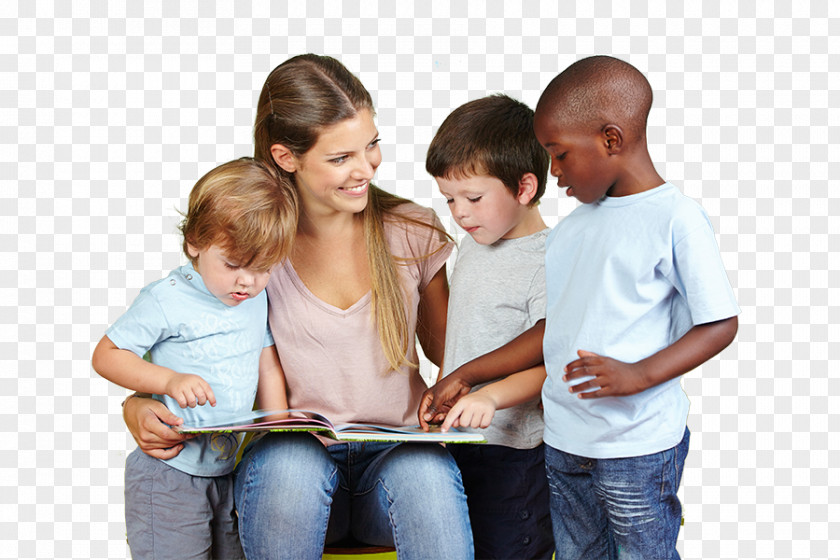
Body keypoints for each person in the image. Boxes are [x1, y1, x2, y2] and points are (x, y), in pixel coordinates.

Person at [121, 54, 474, 560]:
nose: (365, 168)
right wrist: (136, 404)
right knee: (290, 463)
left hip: (394, 463)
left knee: (425, 472)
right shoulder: (253, 252)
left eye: (371, 145)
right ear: (286, 156)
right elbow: (191, 341)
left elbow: (460, 360)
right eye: (340, 158)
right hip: (289, 471)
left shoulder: (411, 231)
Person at [531, 55, 740, 559]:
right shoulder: (569, 231)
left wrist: (639, 374)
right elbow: (551, 327)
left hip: (636, 446)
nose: (552, 171)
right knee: (579, 554)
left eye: (559, 155)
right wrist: (470, 373)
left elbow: (720, 323)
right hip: (564, 441)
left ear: (611, 139)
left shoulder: (676, 218)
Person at [92, 157, 297, 560]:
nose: (247, 281)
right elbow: (107, 355)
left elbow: (267, 361)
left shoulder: (255, 299)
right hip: (169, 472)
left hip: (225, 471)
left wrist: (279, 432)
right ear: (194, 243)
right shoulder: (167, 298)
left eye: (263, 269)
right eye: (233, 265)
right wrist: (167, 381)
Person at [421, 94, 555, 559]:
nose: (460, 213)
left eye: (473, 198)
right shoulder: (474, 245)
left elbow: (552, 360)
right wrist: (442, 391)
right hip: (458, 445)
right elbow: (463, 334)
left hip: (513, 454)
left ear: (524, 188)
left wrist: (485, 392)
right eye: (450, 199)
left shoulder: (549, 258)